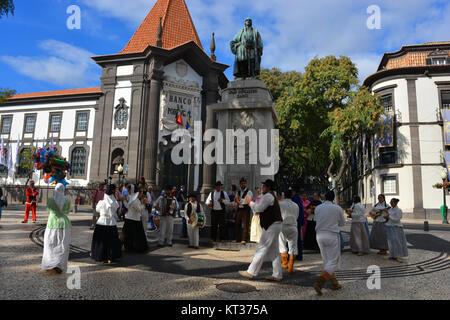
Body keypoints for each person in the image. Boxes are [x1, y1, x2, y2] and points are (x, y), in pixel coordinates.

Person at [239, 179, 283, 282]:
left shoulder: (268, 196)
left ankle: (251, 271)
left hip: (272, 225)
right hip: (275, 224)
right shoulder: (271, 195)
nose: (262, 188)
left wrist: (250, 202)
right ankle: (277, 274)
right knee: (274, 251)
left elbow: (259, 209)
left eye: (264, 186)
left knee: (261, 248)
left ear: (268, 187)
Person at [313, 190, 346, 295]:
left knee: (327, 260)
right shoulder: (337, 208)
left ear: (324, 197)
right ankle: (319, 282)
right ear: (333, 198)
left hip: (319, 235)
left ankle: (335, 283)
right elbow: (342, 223)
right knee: (333, 261)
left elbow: (316, 220)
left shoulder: (318, 208)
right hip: (332, 235)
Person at [41, 183, 71, 274]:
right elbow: (67, 211)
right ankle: (59, 265)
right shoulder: (68, 200)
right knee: (62, 245)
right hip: (64, 224)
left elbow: (49, 210)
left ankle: (49, 264)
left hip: (52, 224)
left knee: (50, 244)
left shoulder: (50, 200)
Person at [91, 184, 122, 264]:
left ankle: (100, 255)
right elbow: (117, 211)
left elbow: (97, 210)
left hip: (101, 222)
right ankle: (111, 256)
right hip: (111, 223)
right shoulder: (114, 203)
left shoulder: (101, 202)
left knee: (101, 241)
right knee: (111, 241)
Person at [122, 184, 148, 253]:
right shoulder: (135, 200)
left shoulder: (131, 198)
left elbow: (128, 207)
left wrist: (124, 201)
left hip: (129, 218)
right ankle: (135, 248)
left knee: (129, 235)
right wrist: (144, 204)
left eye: (129, 190)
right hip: (134, 219)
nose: (141, 194)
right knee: (136, 235)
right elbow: (139, 209)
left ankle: (128, 247)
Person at [278, 190, 299, 274]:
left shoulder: (280, 204)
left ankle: (284, 263)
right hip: (293, 226)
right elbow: (297, 216)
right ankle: (290, 267)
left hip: (282, 225)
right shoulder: (296, 205)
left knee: (282, 245)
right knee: (293, 246)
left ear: (284, 195)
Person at [385, 198, 408, 263]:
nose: (391, 203)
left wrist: (389, 217)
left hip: (396, 227)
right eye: (390, 202)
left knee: (397, 242)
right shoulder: (390, 209)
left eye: (392, 202)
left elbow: (397, 219)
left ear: (396, 203)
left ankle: (398, 256)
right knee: (391, 242)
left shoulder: (399, 210)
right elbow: (389, 217)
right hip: (390, 226)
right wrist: (386, 217)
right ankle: (393, 255)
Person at [233, 178, 253, 245]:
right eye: (241, 183)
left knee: (245, 224)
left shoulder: (249, 192)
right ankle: (237, 238)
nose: (242, 185)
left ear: (246, 183)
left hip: (245, 209)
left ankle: (244, 239)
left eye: (244, 183)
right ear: (240, 184)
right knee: (237, 222)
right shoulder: (238, 192)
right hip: (239, 208)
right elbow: (235, 199)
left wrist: (240, 200)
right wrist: (237, 201)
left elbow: (247, 200)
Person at [291, 186, 305, 261]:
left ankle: (294, 255)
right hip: (299, 219)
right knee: (298, 238)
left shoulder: (294, 198)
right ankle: (299, 255)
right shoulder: (299, 198)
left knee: (293, 239)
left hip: (295, 220)